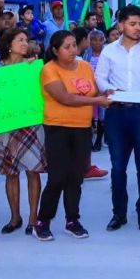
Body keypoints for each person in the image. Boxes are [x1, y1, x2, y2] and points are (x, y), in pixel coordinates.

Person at [95, 5, 140, 232]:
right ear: (121, 25)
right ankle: (118, 214)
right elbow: (100, 77)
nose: (138, 28)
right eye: (133, 24)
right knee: (118, 167)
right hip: (116, 113)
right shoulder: (109, 51)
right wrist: (109, 90)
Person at [33, 30, 110, 241]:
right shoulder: (49, 70)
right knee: (57, 177)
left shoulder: (84, 66)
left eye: (74, 45)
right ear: (55, 50)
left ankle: (72, 220)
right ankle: (42, 221)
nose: (72, 50)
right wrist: (97, 102)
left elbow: (92, 91)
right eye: (66, 47)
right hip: (57, 127)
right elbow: (65, 98)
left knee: (76, 177)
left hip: (82, 128)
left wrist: (107, 93)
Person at [0, 28, 46, 235]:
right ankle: (15, 217)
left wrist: (34, 72)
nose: (25, 43)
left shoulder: (33, 67)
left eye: (26, 40)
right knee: (10, 173)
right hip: (4, 126)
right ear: (8, 44)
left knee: (33, 170)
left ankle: (33, 217)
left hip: (29, 123)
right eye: (20, 40)